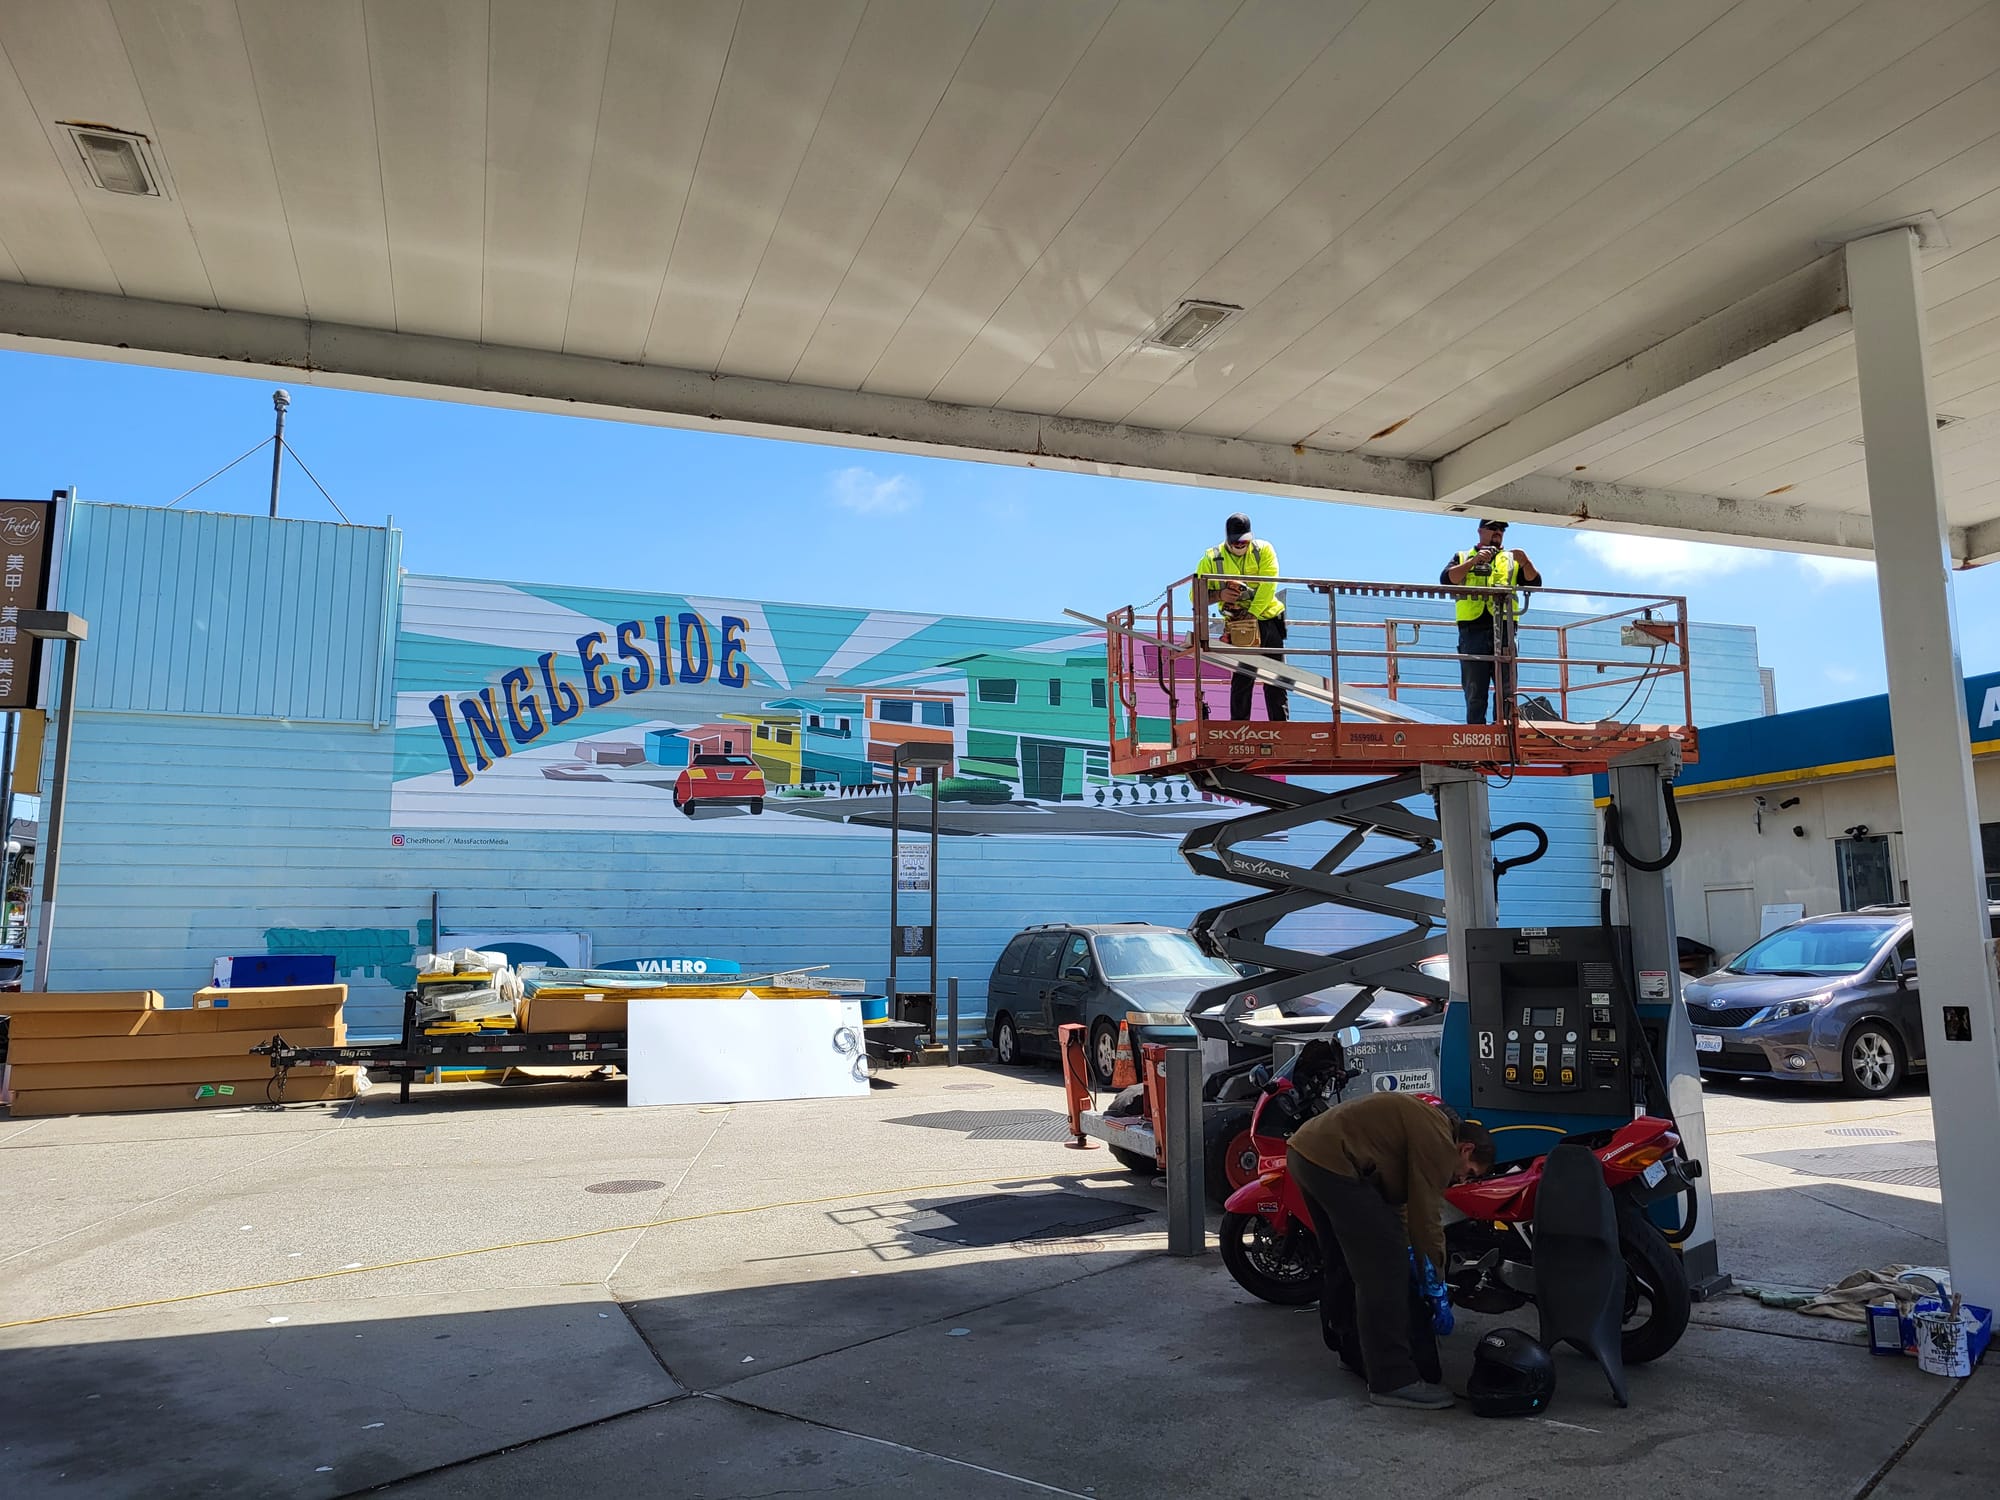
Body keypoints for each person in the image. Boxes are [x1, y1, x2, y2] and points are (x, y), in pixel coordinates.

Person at [1285, 1091, 1496, 1410]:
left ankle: (1351, 1348)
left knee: (1343, 1261)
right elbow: (1427, 1217)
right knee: (1384, 1272)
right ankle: (1393, 1379)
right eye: (1469, 1171)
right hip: (1335, 1162)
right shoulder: (1440, 1142)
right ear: (1465, 1148)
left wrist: (1410, 1249)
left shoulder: (1429, 1123)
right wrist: (1436, 1282)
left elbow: (1398, 1202)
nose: (1460, 1179)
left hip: (1306, 1153)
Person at [1442, 519, 1541, 724]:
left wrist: (1526, 562)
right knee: (1474, 687)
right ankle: (1477, 736)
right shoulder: (1463, 556)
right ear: (1480, 531)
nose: (1498, 532)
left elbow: (1535, 582)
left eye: (1501, 530)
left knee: (1506, 688)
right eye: (1493, 528)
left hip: (1504, 628)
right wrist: (1473, 562)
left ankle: (1503, 733)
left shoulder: (1513, 559)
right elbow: (1447, 579)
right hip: (1473, 628)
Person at [1195, 513, 1288, 721]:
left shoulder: (1263, 550)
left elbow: (1269, 585)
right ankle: (1239, 727)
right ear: (1227, 539)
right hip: (1238, 624)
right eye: (1235, 542)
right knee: (1243, 678)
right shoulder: (1211, 558)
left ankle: (1281, 727)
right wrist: (1220, 595)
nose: (1240, 546)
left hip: (1267, 619)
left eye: (1244, 542)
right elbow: (1196, 595)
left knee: (1276, 679)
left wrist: (1251, 614)